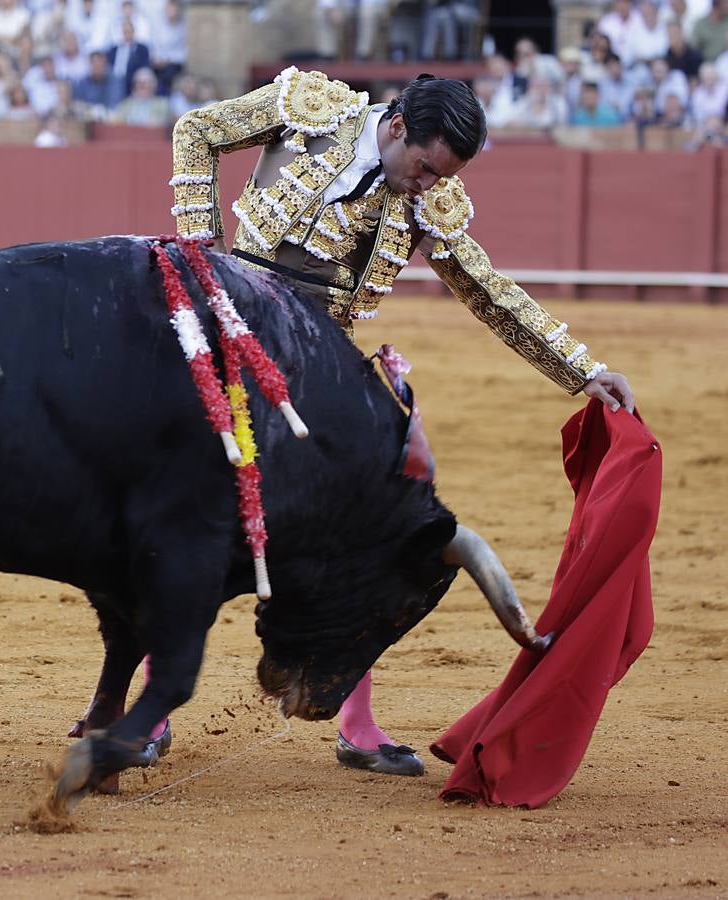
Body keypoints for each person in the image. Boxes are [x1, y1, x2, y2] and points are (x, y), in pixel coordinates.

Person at [169, 69, 635, 776]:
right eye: (421, 168)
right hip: (231, 336)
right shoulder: (308, 109)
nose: (425, 186)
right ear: (393, 128)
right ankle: (136, 711)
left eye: (438, 176)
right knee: (182, 517)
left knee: (364, 533)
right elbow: (196, 131)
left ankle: (356, 726)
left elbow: (488, 291)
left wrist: (580, 369)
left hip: (319, 368)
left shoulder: (429, 200)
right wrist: (200, 251)